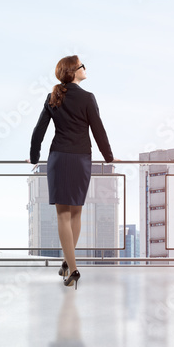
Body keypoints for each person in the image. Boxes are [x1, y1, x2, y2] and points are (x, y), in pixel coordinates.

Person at [29, 55, 113, 289]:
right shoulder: (87, 98)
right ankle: (72, 267)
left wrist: (35, 157)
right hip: (81, 159)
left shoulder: (53, 96)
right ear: (74, 72)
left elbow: (39, 131)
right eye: (82, 66)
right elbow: (98, 130)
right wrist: (108, 157)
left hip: (58, 158)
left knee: (62, 215)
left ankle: (69, 264)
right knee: (76, 214)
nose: (85, 68)